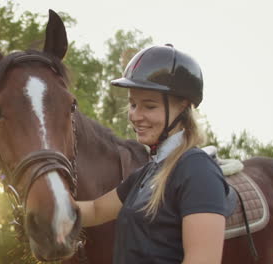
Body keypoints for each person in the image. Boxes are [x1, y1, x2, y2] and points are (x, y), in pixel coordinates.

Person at [76, 44, 232, 264]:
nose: (136, 116)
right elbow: (94, 210)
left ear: (183, 106)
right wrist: (41, 204)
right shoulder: (147, 173)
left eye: (149, 107)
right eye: (132, 104)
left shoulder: (197, 171)